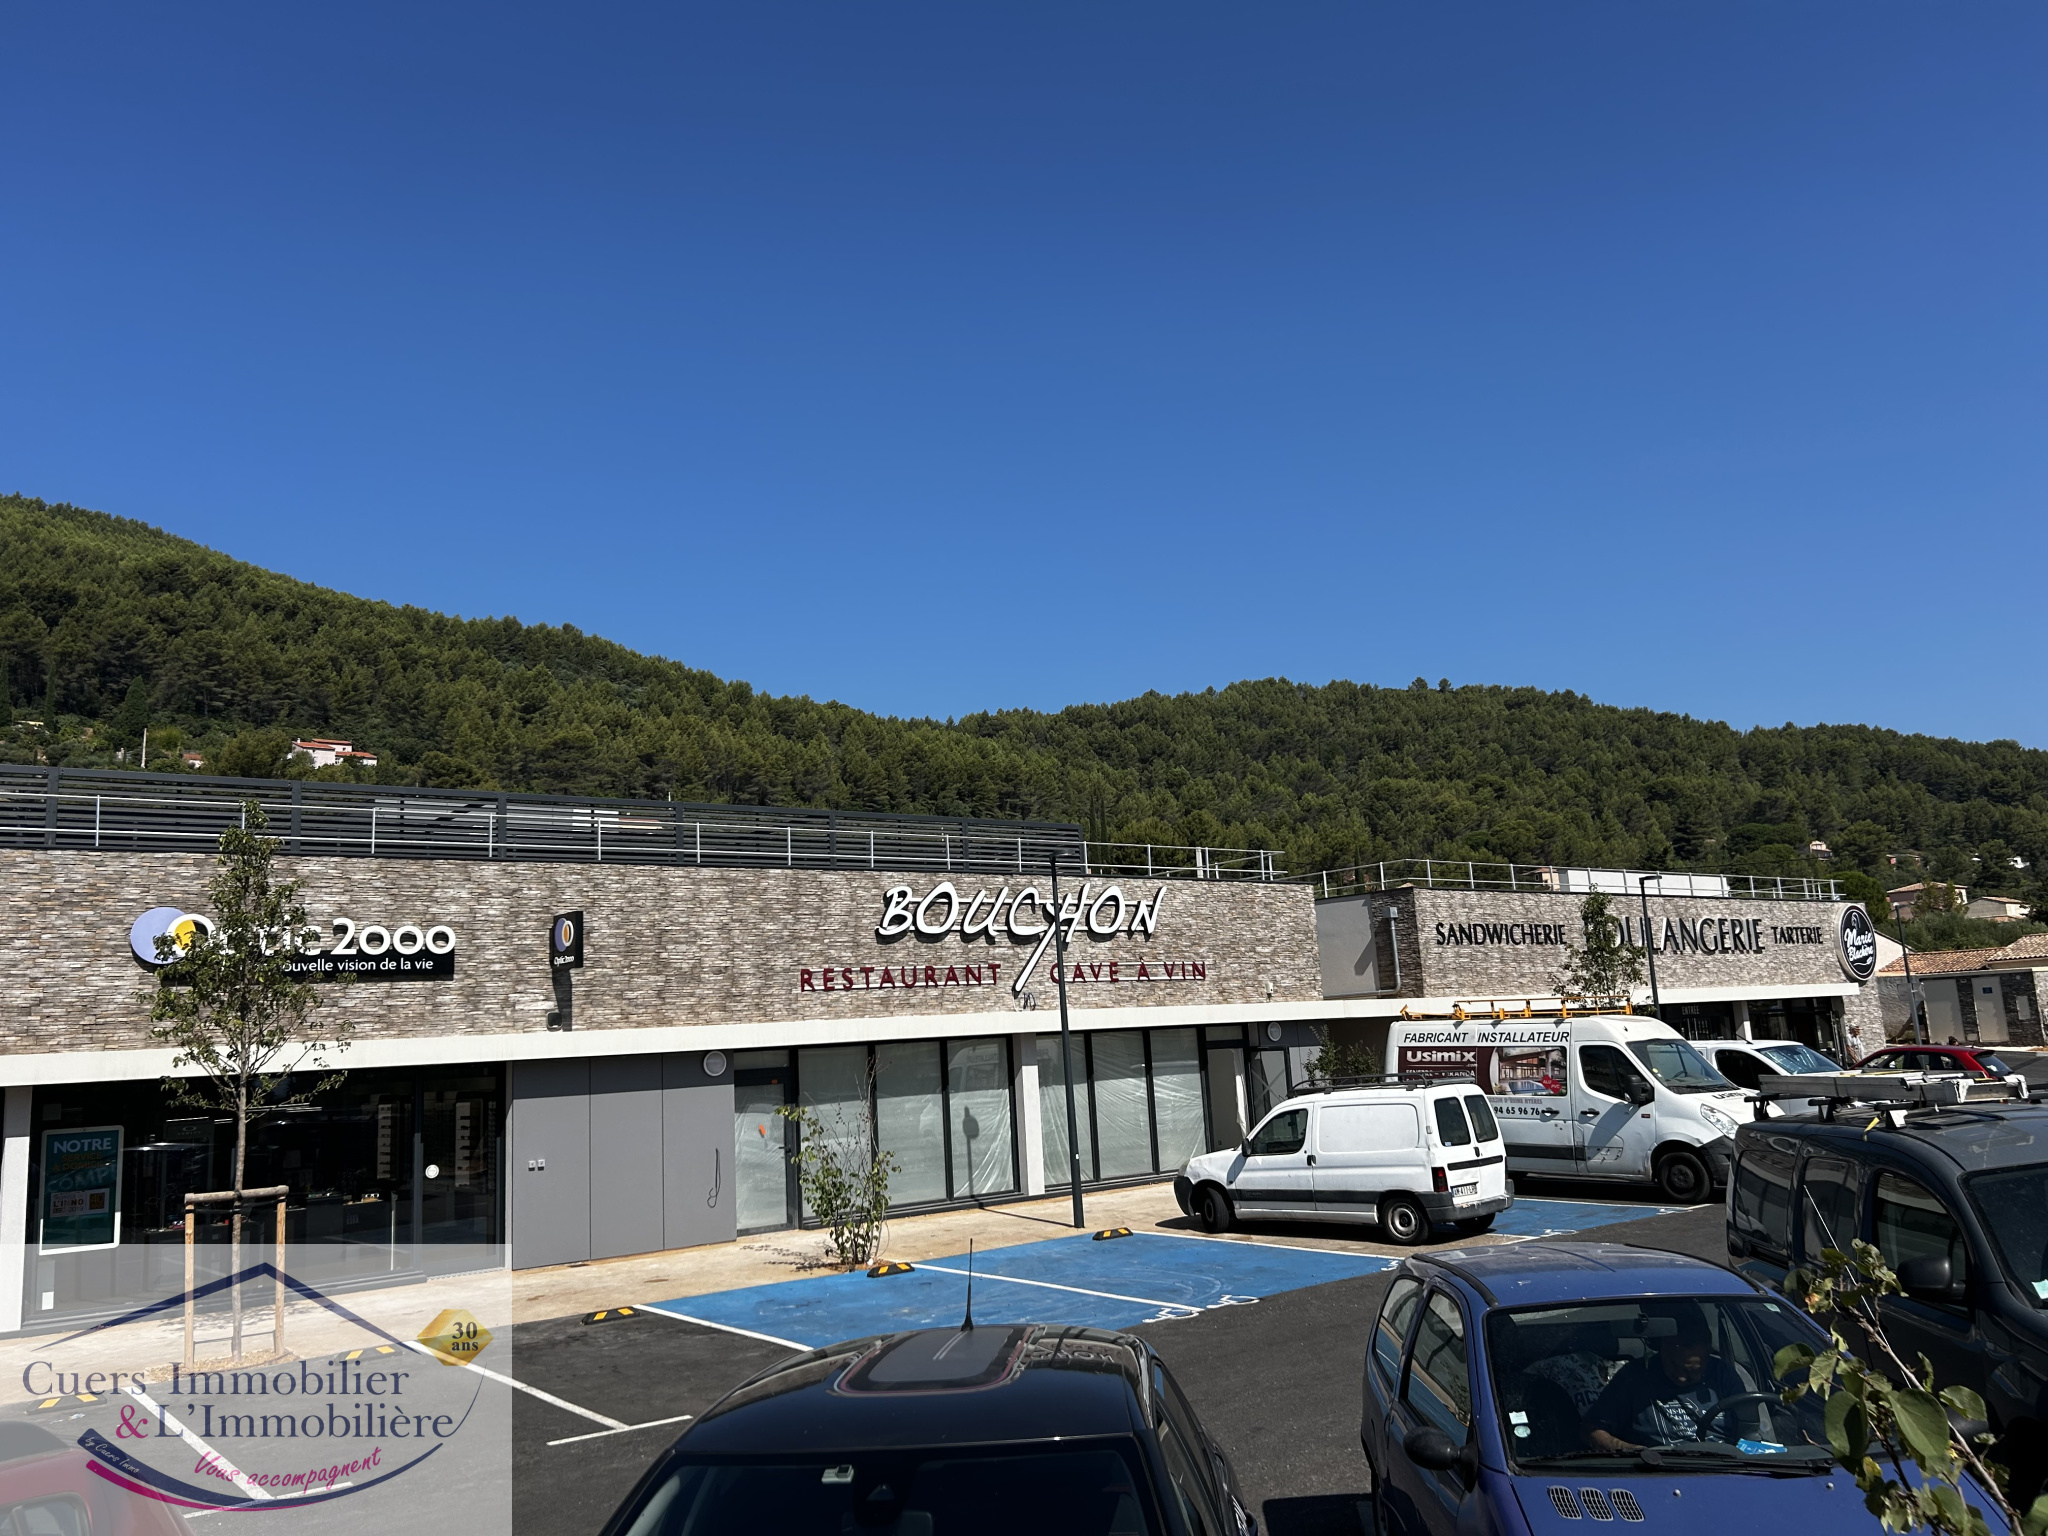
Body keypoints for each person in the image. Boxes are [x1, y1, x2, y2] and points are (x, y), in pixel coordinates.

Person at [1584, 1303, 1759, 1451]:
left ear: (1707, 1353)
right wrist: (1625, 1449)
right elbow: (1591, 1430)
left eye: (1693, 1371)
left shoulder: (1723, 1374)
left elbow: (1749, 1432)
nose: (1682, 1378)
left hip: (1723, 1466)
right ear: (1663, 1348)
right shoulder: (1634, 1377)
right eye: (1676, 1366)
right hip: (1656, 1469)